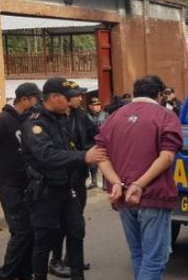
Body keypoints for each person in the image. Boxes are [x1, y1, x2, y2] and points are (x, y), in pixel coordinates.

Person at [95, 76, 183, 280]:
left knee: (139, 256)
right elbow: (167, 156)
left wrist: (116, 182)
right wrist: (140, 184)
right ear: (160, 95)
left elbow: (101, 154)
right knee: (154, 260)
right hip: (153, 196)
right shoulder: (165, 116)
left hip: (124, 197)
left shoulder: (114, 117)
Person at [21, 77, 107, 280]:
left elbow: (73, 146)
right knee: (44, 240)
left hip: (68, 188)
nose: (72, 101)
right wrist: (84, 156)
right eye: (67, 97)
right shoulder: (34, 122)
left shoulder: (62, 119)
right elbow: (46, 155)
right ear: (53, 97)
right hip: (45, 190)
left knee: (76, 233)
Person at [0, 82, 42, 280]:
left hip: (29, 185)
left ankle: (24, 273)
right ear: (24, 100)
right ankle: (6, 275)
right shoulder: (2, 121)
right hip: (10, 186)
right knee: (21, 232)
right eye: (35, 100)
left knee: (30, 232)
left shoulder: (29, 121)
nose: (38, 104)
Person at [48, 82, 94, 278]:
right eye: (76, 95)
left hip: (78, 176)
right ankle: (55, 260)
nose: (80, 98)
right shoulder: (54, 118)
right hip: (60, 178)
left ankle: (72, 259)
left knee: (76, 221)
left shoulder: (81, 116)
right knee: (59, 222)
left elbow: (95, 136)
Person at [87, 97, 109, 189]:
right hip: (91, 142)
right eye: (95, 105)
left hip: (103, 142)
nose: (98, 107)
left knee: (104, 162)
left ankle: (105, 183)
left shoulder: (105, 115)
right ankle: (94, 181)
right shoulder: (86, 116)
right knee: (92, 165)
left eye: (99, 105)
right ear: (90, 106)